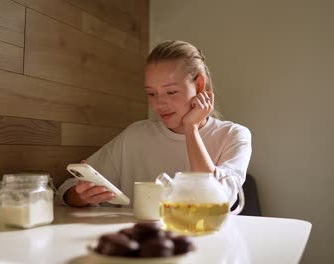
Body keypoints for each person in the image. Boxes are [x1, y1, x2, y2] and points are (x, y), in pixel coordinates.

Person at [58, 40, 252, 214]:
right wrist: (81, 196)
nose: (159, 104)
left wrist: (190, 129)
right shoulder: (135, 135)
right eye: (151, 94)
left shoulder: (233, 135)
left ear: (200, 85)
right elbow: (66, 190)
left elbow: (218, 199)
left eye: (171, 92)